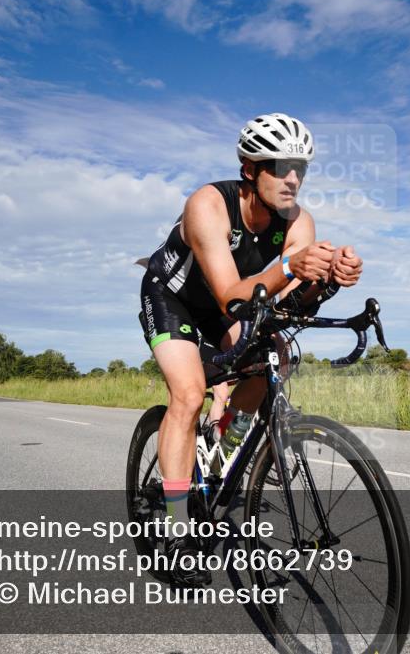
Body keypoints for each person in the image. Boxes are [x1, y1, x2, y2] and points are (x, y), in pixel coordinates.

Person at [139, 113, 363, 585]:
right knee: (188, 392)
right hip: (175, 298)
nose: (294, 178)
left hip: (235, 304)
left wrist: (326, 281)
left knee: (274, 355)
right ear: (249, 170)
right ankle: (178, 532)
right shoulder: (208, 204)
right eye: (280, 166)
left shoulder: (298, 221)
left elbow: (288, 305)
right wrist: (290, 263)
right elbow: (231, 298)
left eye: (300, 166)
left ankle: (221, 443)